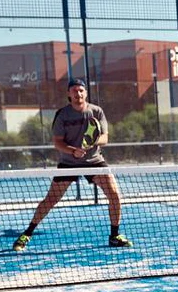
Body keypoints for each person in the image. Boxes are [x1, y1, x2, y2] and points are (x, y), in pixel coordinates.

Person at [12, 78, 131, 251]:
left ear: (85, 93)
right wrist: (72, 151)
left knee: (114, 195)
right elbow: (57, 142)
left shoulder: (96, 111)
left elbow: (105, 137)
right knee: (51, 199)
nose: (78, 93)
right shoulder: (62, 115)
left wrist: (91, 143)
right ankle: (27, 234)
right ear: (69, 93)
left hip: (94, 161)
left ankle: (114, 236)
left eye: (81, 90)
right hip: (68, 162)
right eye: (74, 90)